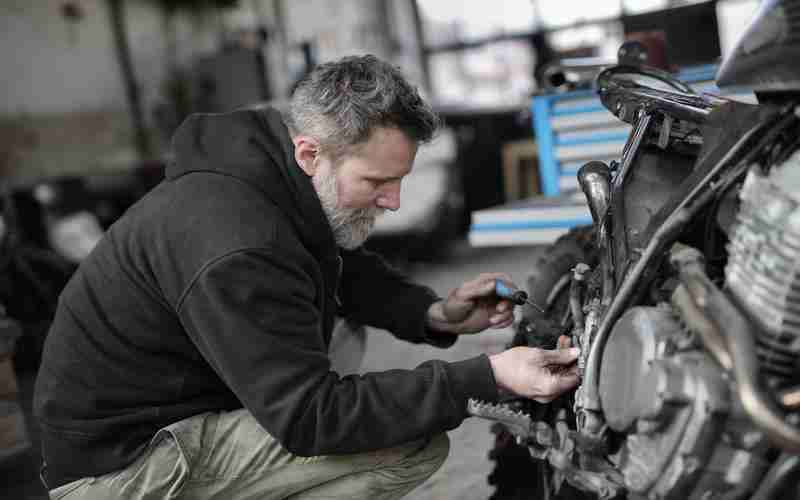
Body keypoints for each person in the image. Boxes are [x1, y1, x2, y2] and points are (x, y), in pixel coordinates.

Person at [34, 54, 580, 499]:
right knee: (410, 444)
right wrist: (488, 376)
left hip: (161, 413)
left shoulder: (268, 172)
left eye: (399, 181)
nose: (393, 201)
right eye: (377, 182)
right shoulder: (238, 244)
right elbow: (314, 418)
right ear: (309, 151)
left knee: (346, 334)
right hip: (121, 468)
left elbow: (331, 258)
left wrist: (431, 313)